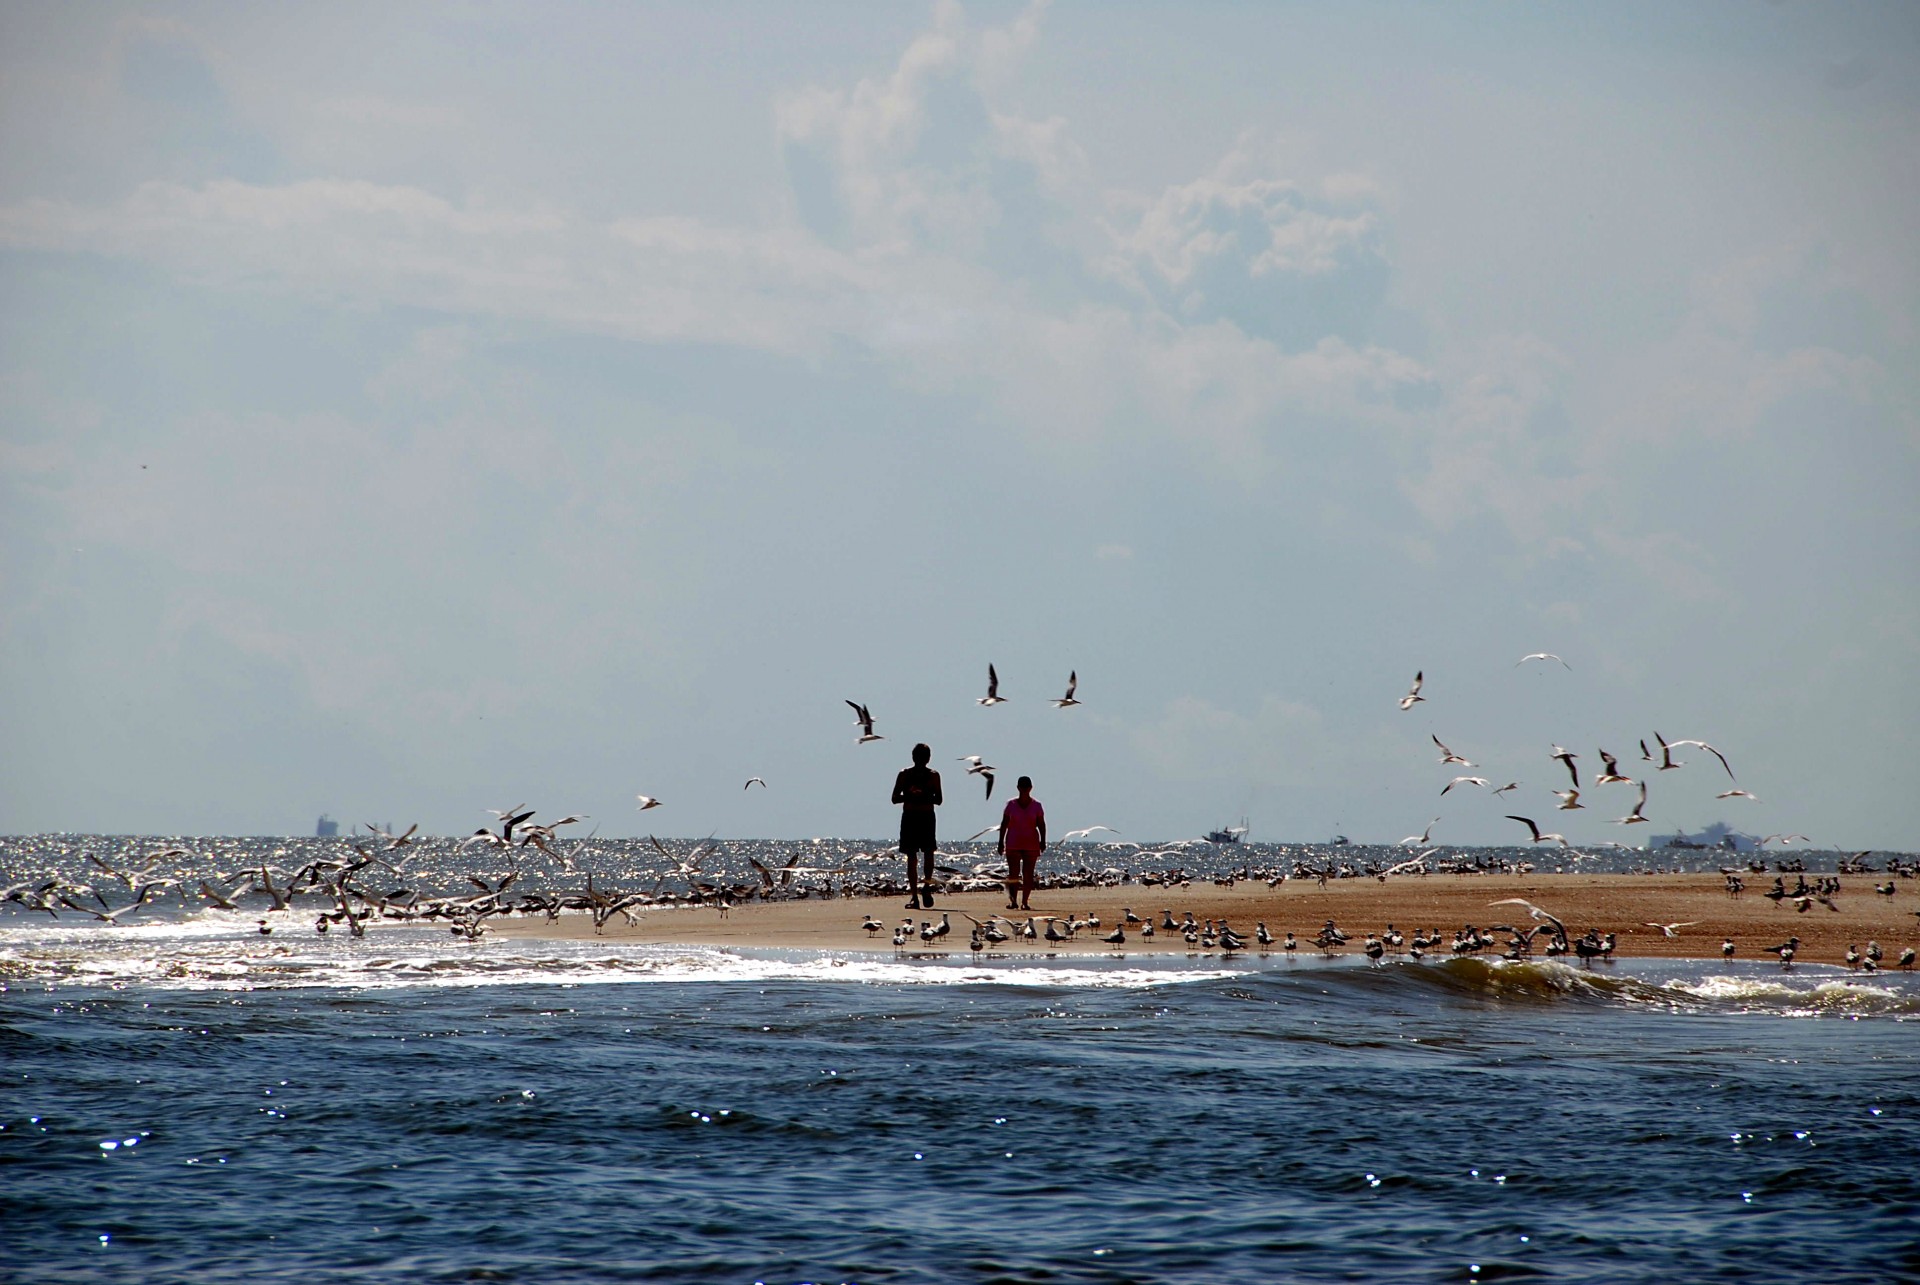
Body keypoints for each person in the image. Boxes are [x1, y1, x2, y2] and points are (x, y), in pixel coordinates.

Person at [892, 743, 943, 909]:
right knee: (913, 857)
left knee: (926, 854)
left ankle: (924, 889)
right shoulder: (905, 775)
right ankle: (916, 894)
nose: (921, 760)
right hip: (911, 817)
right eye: (920, 757)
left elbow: (939, 799)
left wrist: (923, 795)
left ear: (928, 759)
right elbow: (894, 798)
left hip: (926, 816)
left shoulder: (933, 775)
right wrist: (910, 794)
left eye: (923, 758)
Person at [997, 776, 1046, 911]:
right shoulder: (1011, 804)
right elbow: (1004, 824)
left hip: (1031, 843)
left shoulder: (1036, 805)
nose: (1024, 790)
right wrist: (1000, 842)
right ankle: (1013, 901)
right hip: (1013, 842)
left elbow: (1041, 824)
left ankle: (1025, 902)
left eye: (1026, 788)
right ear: (1018, 788)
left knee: (1028, 874)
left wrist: (1043, 840)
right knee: (1013, 874)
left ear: (1030, 788)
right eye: (1022, 787)